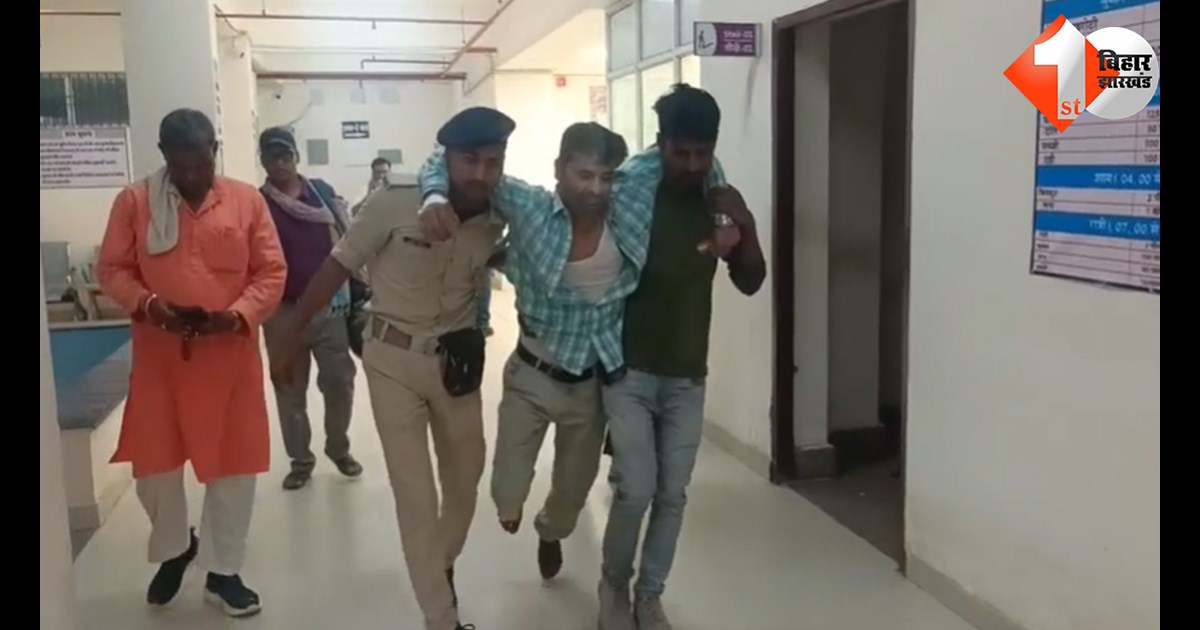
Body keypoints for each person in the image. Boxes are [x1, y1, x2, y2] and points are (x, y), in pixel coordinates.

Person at [268, 106, 515, 630]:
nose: (481, 173)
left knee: (466, 479)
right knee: (415, 494)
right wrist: (289, 337)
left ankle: (436, 565)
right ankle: (440, 615)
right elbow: (336, 265)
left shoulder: (501, 211)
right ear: (447, 157)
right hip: (392, 361)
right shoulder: (396, 200)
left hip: (455, 365)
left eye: (493, 162)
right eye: (470, 160)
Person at [415, 123, 632, 580]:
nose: (595, 189)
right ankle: (510, 505)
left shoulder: (628, 215)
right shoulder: (530, 206)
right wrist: (434, 196)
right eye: (584, 175)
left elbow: (692, 172)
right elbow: (445, 160)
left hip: (591, 384)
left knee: (572, 494)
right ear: (559, 169)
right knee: (506, 486)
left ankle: (550, 533)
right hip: (533, 372)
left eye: (606, 177)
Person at [95, 108, 287, 618]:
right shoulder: (135, 202)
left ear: (214, 151)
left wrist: (236, 316)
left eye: (201, 166)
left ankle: (223, 572)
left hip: (229, 361)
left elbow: (271, 272)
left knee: (234, 469)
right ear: (164, 156)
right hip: (161, 362)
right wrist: (149, 305)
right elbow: (112, 269)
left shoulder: (246, 201)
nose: (193, 177)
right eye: (181, 168)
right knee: (154, 470)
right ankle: (177, 547)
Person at [600, 84, 765, 630]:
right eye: (681, 152)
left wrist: (746, 224)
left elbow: (751, 280)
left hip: (687, 376)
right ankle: (612, 586)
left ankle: (649, 595)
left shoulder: (718, 201)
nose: (693, 165)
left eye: (703, 153)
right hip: (628, 369)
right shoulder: (632, 194)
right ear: (661, 143)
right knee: (635, 490)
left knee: (672, 495)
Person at [257, 127, 363, 491]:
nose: (280, 163)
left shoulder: (321, 193)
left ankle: (339, 448)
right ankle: (300, 461)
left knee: (340, 382)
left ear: (296, 157)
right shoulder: (258, 204)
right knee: (289, 389)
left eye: (286, 155)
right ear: (263, 161)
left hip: (329, 308)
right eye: (272, 156)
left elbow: (348, 239)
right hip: (282, 313)